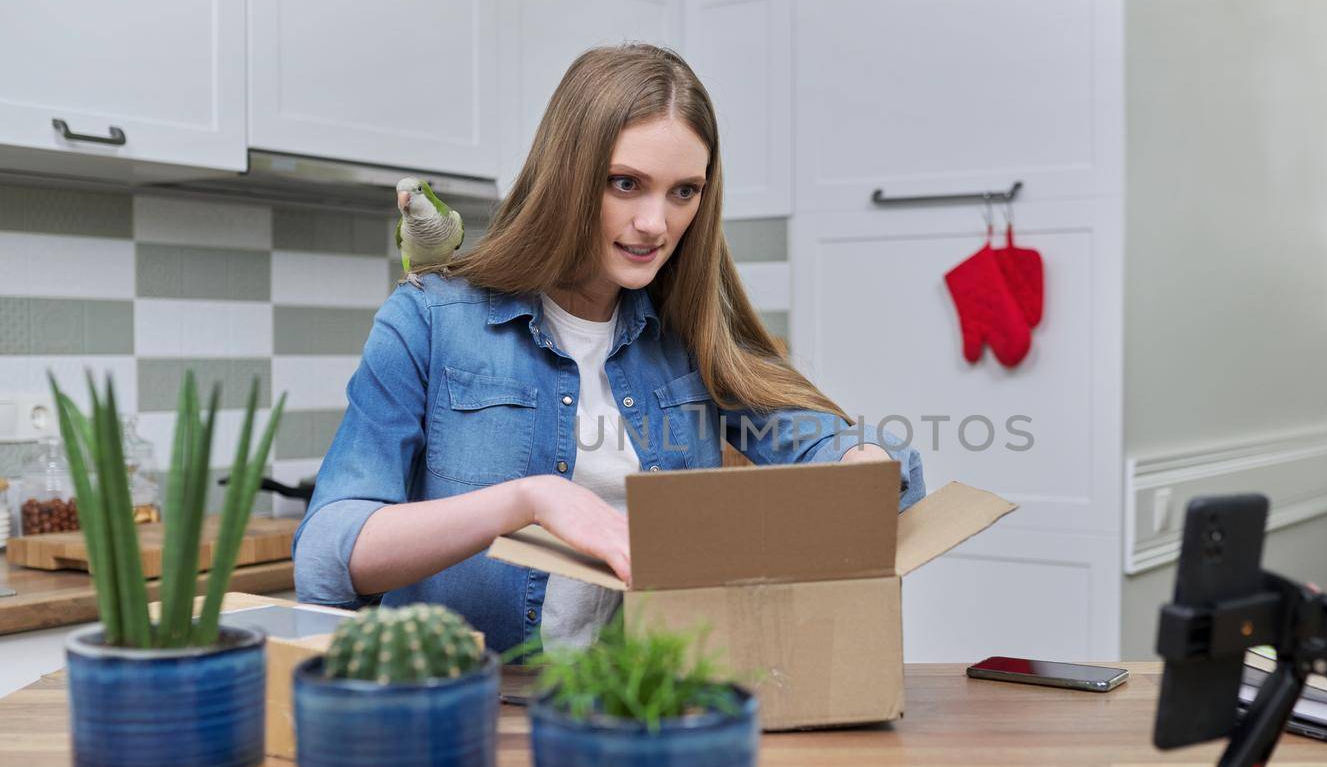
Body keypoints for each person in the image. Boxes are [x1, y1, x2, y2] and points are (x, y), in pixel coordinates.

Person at [292, 43, 923, 652]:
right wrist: (528, 500)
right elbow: (326, 554)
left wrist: (858, 464)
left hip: (649, 701)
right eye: (626, 183)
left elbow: (872, 467)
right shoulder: (430, 321)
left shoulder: (691, 337)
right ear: (567, 176)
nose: (657, 223)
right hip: (482, 707)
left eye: (684, 191)